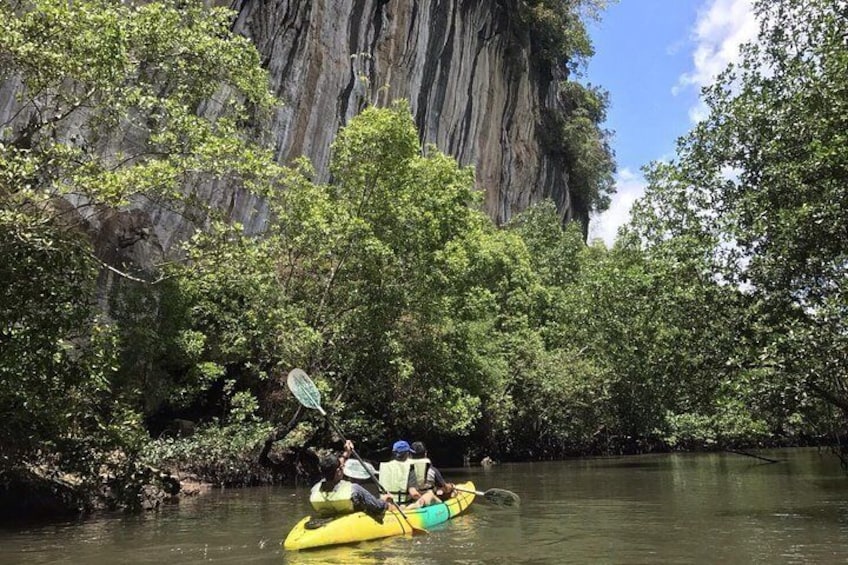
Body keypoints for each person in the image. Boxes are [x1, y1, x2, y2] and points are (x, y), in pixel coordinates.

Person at [310, 440, 391, 522]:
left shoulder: (315, 489)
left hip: (328, 518)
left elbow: (332, 468)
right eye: (342, 468)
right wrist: (384, 499)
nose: (343, 467)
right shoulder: (354, 489)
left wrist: (347, 453)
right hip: (351, 522)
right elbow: (378, 507)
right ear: (338, 471)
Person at [378, 440, 441, 508]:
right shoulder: (409, 468)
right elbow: (413, 493)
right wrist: (422, 500)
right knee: (429, 495)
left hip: (387, 506)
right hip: (404, 507)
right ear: (407, 454)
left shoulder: (385, 467)